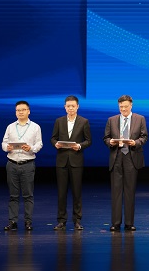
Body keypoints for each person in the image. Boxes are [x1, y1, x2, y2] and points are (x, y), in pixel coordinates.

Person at [103, 95, 148, 232]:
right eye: (121, 107)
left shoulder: (140, 119)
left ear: (131, 105)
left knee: (129, 191)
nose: (123, 109)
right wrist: (110, 142)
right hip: (116, 157)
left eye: (126, 106)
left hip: (131, 157)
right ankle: (115, 223)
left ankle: (129, 223)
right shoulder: (111, 120)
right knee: (116, 192)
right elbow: (106, 137)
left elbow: (144, 137)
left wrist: (136, 142)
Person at [51, 95, 92, 231]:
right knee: (61, 192)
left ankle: (77, 220)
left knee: (76, 192)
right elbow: (53, 138)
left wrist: (79, 146)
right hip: (61, 161)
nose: (70, 108)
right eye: (68, 106)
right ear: (65, 107)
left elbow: (88, 140)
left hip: (76, 160)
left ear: (77, 107)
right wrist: (56, 144)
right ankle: (61, 220)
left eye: (73, 106)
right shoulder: (59, 121)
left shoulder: (84, 121)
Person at [2, 100, 43, 231]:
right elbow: (4, 143)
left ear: (28, 111)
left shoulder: (35, 127)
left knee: (28, 195)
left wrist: (31, 148)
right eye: (18, 110)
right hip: (12, 163)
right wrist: (7, 147)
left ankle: (28, 222)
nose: (20, 112)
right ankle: (12, 221)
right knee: (13, 195)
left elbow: (39, 144)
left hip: (27, 164)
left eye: (23, 110)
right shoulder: (10, 127)